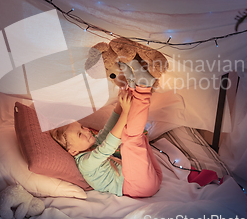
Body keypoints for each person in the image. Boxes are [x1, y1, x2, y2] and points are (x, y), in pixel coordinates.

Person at [50, 60, 163, 198]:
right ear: (73, 151)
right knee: (130, 137)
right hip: (139, 187)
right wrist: (126, 113)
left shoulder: (91, 146)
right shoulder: (85, 164)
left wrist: (121, 103)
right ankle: (143, 88)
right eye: (80, 134)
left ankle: (132, 87)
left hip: (153, 176)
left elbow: (108, 129)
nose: (86, 130)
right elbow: (108, 147)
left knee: (135, 137)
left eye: (82, 127)